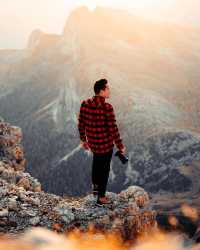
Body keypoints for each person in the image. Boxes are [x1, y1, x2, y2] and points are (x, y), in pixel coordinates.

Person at [78, 78, 126, 206]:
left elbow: (81, 123)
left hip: (93, 143)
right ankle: (101, 198)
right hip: (105, 145)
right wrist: (120, 146)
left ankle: (95, 188)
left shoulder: (85, 103)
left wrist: (84, 140)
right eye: (107, 88)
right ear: (101, 91)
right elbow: (113, 129)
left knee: (96, 163)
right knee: (104, 170)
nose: (109, 90)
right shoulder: (107, 108)